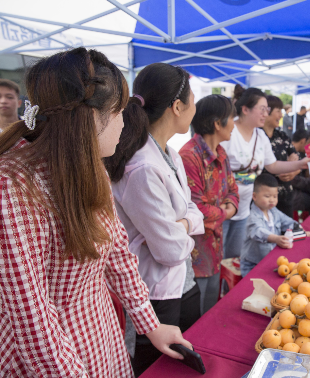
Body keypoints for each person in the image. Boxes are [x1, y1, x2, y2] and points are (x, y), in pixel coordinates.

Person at [0, 48, 192, 377]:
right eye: (118, 113)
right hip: (42, 362)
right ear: (88, 118)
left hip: (98, 336)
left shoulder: (89, 166)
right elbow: (32, 323)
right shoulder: (7, 187)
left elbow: (117, 253)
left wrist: (151, 324)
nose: (124, 124)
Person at [104, 63, 204, 375]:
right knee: (157, 369)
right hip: (156, 292)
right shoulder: (142, 167)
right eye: (193, 100)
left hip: (183, 282)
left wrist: (182, 226)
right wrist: (187, 225)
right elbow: (169, 250)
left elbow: (194, 213)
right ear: (177, 106)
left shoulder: (170, 156)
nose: (195, 108)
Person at [221, 86, 310, 259]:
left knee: (233, 258)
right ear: (245, 109)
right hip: (222, 206)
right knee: (218, 258)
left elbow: (273, 166)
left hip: (244, 208)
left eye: (267, 110)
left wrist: (300, 164)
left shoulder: (260, 136)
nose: (265, 114)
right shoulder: (229, 133)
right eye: (262, 109)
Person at [179, 95, 239, 316]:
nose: (234, 123)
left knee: (211, 310)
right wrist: (226, 211)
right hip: (195, 254)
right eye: (231, 117)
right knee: (196, 317)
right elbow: (195, 210)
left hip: (215, 249)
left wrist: (227, 208)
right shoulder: (189, 157)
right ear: (217, 123)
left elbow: (234, 192)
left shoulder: (221, 153)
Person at [240, 174, 310, 276]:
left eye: (275, 196)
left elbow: (287, 221)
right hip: (253, 264)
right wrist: (276, 238)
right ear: (254, 196)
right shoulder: (252, 216)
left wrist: (299, 229)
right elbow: (258, 231)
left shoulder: (273, 211)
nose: (272, 200)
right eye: (267, 196)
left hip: (271, 257)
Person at [262, 95, 300, 218]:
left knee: (286, 232)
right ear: (267, 112)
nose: (281, 115)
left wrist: (294, 172)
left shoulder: (282, 136)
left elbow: (296, 157)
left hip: (285, 196)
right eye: (278, 111)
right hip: (264, 199)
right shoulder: (257, 136)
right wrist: (285, 167)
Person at [291, 129, 310, 217]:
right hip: (294, 196)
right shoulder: (291, 154)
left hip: (297, 192)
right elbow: (294, 179)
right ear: (303, 141)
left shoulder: (299, 153)